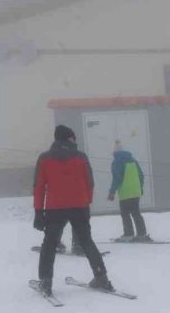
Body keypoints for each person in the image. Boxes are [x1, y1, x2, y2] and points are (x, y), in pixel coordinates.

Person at [33, 125, 113, 295]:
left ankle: (46, 282)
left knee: (49, 244)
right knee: (87, 241)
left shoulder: (44, 158)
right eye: (73, 137)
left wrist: (38, 212)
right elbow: (90, 183)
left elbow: (39, 187)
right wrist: (86, 201)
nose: (74, 141)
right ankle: (101, 277)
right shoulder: (81, 157)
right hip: (79, 206)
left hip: (55, 209)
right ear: (69, 138)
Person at [108, 141, 150, 242]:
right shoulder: (133, 160)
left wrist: (112, 192)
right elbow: (141, 176)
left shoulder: (117, 162)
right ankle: (142, 234)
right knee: (136, 213)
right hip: (135, 192)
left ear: (114, 152)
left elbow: (117, 178)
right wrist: (140, 188)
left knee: (125, 214)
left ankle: (128, 233)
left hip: (126, 193)